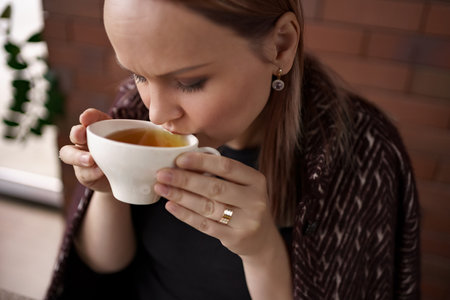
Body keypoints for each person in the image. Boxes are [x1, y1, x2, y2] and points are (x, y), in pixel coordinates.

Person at [47, 0, 420, 299]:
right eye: (139, 75)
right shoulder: (134, 109)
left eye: (189, 82)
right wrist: (111, 182)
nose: (157, 113)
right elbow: (104, 265)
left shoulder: (364, 153)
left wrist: (260, 250)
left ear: (281, 46)